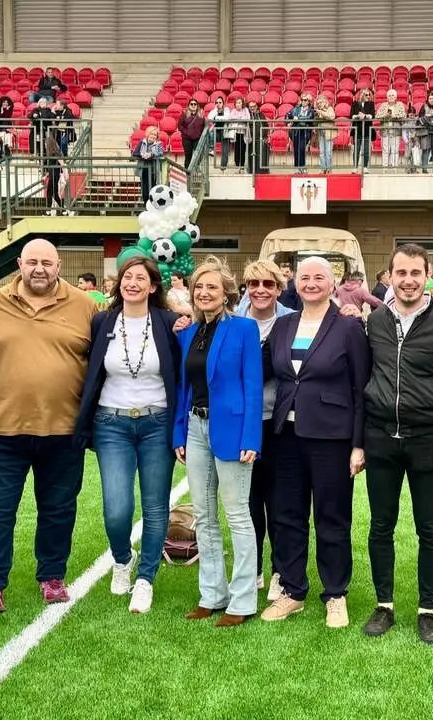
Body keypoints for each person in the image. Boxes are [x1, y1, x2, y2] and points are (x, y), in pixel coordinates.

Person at [0, 240, 97, 615]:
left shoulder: (86, 306)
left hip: (63, 430)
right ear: (19, 265)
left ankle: (52, 576)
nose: (38, 268)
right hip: (2, 429)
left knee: (58, 509)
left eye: (46, 262)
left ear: (59, 265)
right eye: (31, 262)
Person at [361, 244, 433, 645]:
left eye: (416, 273)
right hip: (381, 440)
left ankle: (427, 611)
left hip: (429, 440)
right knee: (381, 526)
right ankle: (385, 605)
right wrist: (360, 442)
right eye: (401, 273)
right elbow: (364, 382)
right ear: (389, 276)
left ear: (428, 276)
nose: (408, 280)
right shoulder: (375, 320)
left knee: (429, 528)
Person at [259, 258, 370, 629]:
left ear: (333, 281)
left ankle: (335, 594)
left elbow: (360, 388)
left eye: (318, 277)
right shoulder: (283, 325)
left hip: (332, 439)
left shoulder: (348, 326)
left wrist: (358, 444)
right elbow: (258, 368)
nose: (310, 283)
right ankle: (293, 590)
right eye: (304, 277)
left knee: (332, 517)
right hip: (285, 437)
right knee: (287, 515)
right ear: (295, 282)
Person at [75, 256, 182, 615]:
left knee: (155, 506)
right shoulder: (102, 321)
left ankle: (146, 578)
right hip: (111, 424)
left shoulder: (168, 323)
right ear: (119, 284)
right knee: (117, 509)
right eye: (127, 277)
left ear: (153, 287)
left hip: (157, 423)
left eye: (141, 278)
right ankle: (123, 558)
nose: (133, 283)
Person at [173, 256, 263, 627]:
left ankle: (241, 601)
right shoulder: (188, 333)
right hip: (195, 429)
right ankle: (212, 594)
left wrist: (251, 438)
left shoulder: (243, 329)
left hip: (232, 432)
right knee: (205, 516)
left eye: (212, 286)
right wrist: (179, 431)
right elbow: (184, 387)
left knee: (238, 515)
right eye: (199, 287)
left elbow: (253, 386)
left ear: (226, 292)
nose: (205, 292)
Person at [234, 261, 296, 600]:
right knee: (249, 501)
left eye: (267, 284)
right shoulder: (233, 322)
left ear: (279, 288)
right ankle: (253, 567)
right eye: (253, 283)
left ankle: (280, 571)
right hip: (243, 423)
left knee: (281, 501)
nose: (260, 290)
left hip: (280, 421)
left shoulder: (291, 322)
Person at [132, 126, 165, 207]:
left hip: (153, 169)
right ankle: (146, 206)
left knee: (152, 189)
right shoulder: (142, 142)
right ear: (147, 134)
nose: (153, 136)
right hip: (143, 169)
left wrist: (151, 155)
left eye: (155, 135)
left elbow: (160, 153)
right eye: (151, 134)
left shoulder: (159, 144)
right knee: (144, 190)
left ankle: (152, 206)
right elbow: (135, 153)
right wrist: (142, 155)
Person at [376, 89, 407, 169]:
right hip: (385, 131)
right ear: (387, 97)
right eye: (389, 95)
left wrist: (394, 116)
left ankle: (394, 166)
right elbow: (377, 116)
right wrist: (385, 116)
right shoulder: (383, 105)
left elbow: (403, 115)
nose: (391, 97)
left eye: (393, 95)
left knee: (395, 150)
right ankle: (385, 166)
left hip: (396, 131)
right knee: (385, 149)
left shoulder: (400, 105)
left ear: (396, 97)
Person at [286, 94, 316, 174]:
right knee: (296, 149)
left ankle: (302, 166)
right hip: (296, 131)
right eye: (302, 100)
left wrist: (297, 118)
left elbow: (309, 119)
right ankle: (297, 167)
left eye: (305, 100)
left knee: (302, 148)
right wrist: (288, 122)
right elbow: (287, 115)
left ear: (309, 102)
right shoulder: (296, 109)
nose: (303, 101)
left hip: (305, 132)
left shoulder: (311, 111)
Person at [223, 96, 251, 171]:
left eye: (239, 102)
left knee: (243, 149)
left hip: (244, 132)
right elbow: (230, 118)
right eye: (237, 103)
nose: (238, 104)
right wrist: (241, 119)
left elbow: (248, 118)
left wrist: (238, 119)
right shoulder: (233, 111)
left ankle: (242, 166)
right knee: (237, 149)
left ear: (242, 103)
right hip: (236, 132)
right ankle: (237, 164)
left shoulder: (245, 110)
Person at [350, 88, 376, 169]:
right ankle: (355, 167)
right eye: (366, 94)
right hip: (357, 129)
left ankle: (365, 167)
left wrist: (364, 116)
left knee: (366, 150)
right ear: (361, 94)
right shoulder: (355, 103)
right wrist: (358, 116)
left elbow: (372, 115)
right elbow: (351, 115)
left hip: (367, 129)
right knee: (356, 150)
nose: (368, 96)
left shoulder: (371, 104)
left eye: (369, 95)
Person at [179, 99, 206, 168]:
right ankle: (187, 173)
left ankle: (195, 167)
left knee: (199, 154)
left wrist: (201, 133)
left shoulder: (201, 116)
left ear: (197, 106)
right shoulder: (184, 114)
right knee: (188, 156)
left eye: (195, 104)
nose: (193, 105)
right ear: (189, 106)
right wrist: (186, 132)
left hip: (197, 138)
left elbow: (204, 126)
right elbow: (180, 126)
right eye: (191, 104)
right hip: (187, 139)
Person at [314, 94, 337, 173]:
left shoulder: (329, 108)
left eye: (320, 102)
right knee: (321, 152)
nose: (319, 104)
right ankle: (323, 168)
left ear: (325, 102)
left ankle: (329, 169)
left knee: (328, 152)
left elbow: (332, 116)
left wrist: (322, 112)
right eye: (318, 103)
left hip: (328, 132)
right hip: (320, 132)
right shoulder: (317, 111)